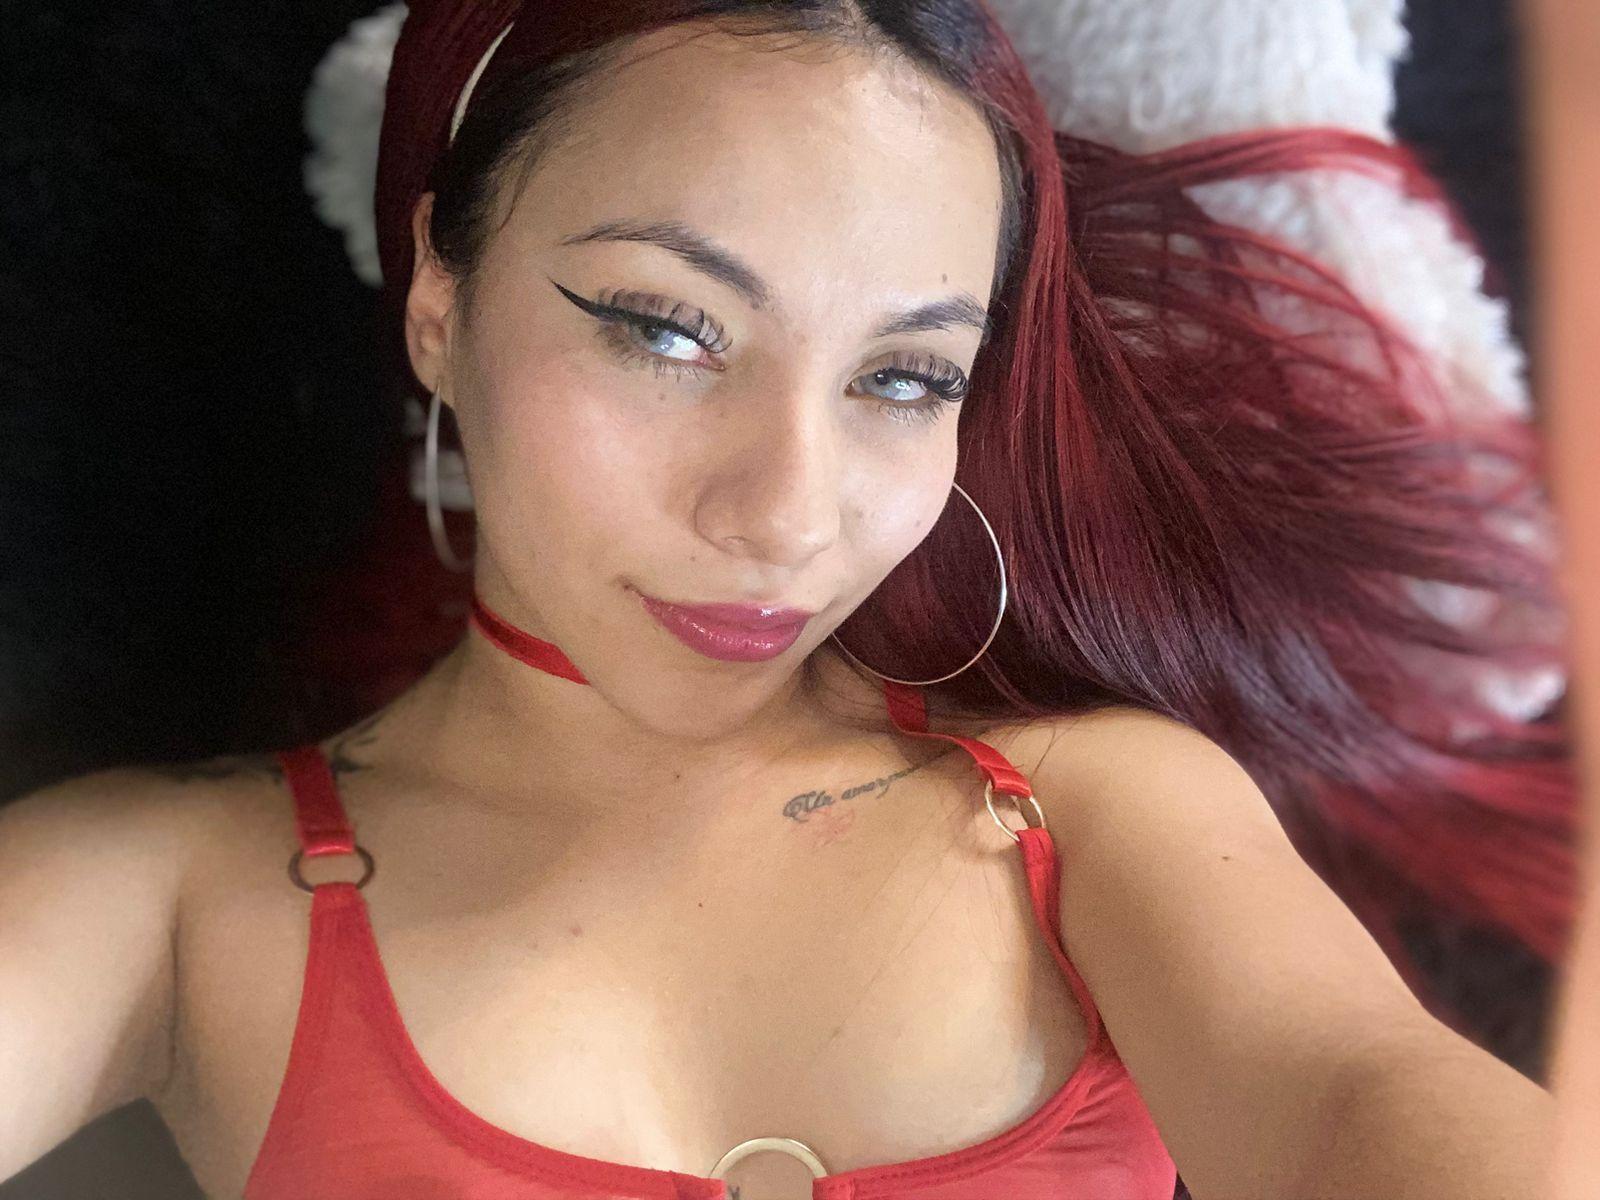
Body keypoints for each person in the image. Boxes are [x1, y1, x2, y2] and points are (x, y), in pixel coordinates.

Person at [0, 2, 1578, 1198]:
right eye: (666, 329)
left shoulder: (1096, 815)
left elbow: (1360, 1097)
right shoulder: (165, 902)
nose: (785, 515)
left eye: (903, 377)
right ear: (436, 299)